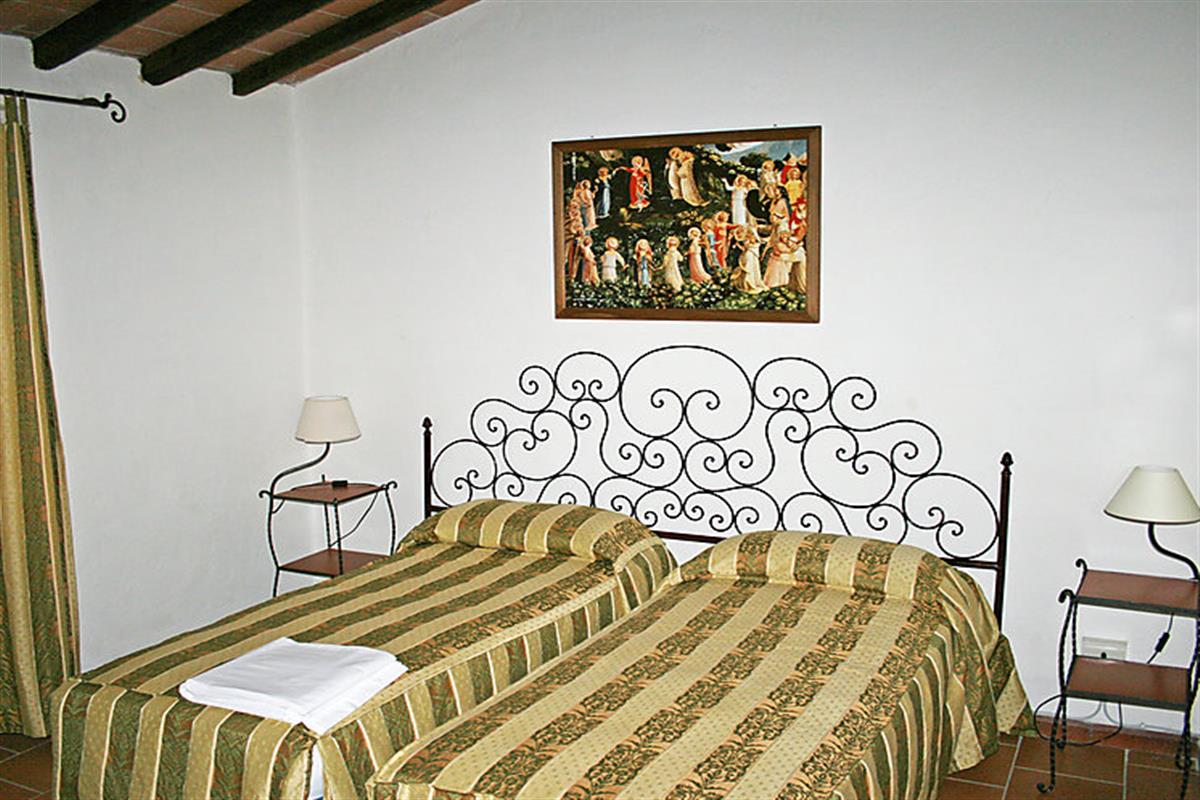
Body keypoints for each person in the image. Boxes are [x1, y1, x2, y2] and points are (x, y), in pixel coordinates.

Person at [730, 225, 767, 293]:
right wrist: (739, 245)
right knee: (748, 268)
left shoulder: (754, 240)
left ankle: (752, 282)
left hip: (753, 255)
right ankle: (747, 282)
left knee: (753, 268)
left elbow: (752, 245)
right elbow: (745, 247)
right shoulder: (747, 239)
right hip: (748, 255)